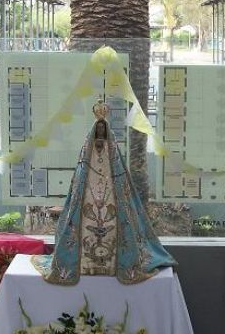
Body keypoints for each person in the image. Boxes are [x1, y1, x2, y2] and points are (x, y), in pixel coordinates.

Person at [31, 100, 177, 285]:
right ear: (94, 132)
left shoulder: (112, 151)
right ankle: (81, 262)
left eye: (103, 130)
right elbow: (82, 174)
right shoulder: (87, 150)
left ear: (107, 132)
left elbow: (117, 170)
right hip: (89, 191)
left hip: (110, 188)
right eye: (98, 130)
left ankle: (118, 263)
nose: (100, 133)